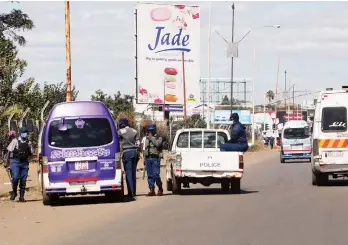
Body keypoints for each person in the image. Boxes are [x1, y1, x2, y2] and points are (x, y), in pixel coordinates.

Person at [5, 127, 33, 202]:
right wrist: (6, 162)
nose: (25, 134)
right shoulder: (15, 141)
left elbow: (31, 153)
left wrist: (29, 160)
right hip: (15, 161)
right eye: (24, 132)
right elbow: (9, 151)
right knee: (15, 177)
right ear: (21, 133)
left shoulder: (28, 142)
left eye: (26, 132)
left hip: (24, 163)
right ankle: (14, 192)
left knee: (23, 180)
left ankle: (22, 197)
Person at [118, 118, 140, 198]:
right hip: (135, 152)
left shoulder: (120, 132)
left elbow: (116, 139)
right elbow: (138, 142)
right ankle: (134, 191)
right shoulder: (134, 131)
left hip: (127, 152)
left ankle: (130, 192)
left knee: (128, 173)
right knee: (133, 173)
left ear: (122, 124)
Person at [143, 123, 163, 196]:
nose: (150, 132)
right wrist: (144, 159)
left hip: (155, 158)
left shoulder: (159, 137)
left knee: (156, 175)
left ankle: (160, 188)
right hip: (148, 158)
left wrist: (151, 138)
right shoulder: (146, 138)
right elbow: (145, 149)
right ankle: (152, 189)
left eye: (151, 131)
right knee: (150, 175)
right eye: (149, 131)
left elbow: (157, 144)